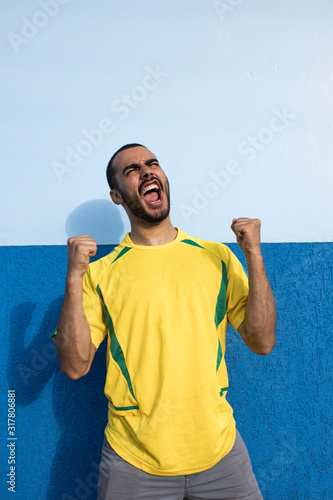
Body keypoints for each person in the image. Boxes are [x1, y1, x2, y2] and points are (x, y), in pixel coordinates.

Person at [54, 143, 276, 500]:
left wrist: (253, 254)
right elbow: (75, 366)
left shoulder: (216, 256)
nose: (146, 171)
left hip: (220, 452)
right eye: (132, 170)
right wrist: (73, 278)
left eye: (152, 163)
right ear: (117, 196)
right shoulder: (100, 274)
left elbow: (262, 341)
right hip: (133, 460)